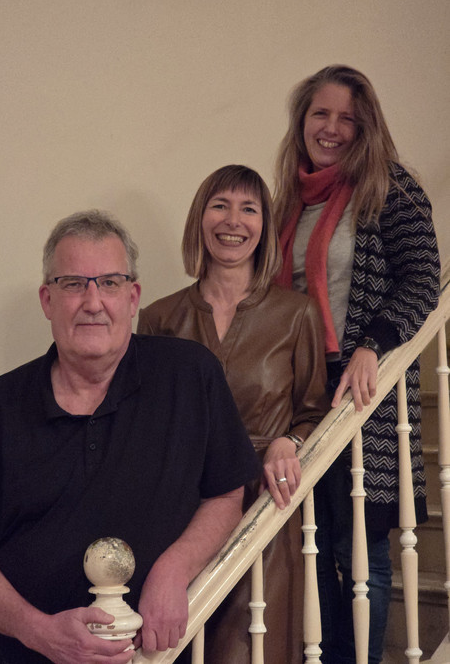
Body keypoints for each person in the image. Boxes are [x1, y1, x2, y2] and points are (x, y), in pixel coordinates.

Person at [0, 210, 261, 664]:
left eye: (110, 283)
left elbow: (227, 495)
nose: (93, 302)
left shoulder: (190, 375)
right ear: (47, 300)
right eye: (73, 284)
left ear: (133, 298)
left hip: (148, 656)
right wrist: (38, 631)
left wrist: (174, 569)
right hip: (6, 654)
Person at [273, 64, 441, 663]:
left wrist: (373, 343)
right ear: (302, 121)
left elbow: (423, 279)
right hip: (301, 392)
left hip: (364, 392)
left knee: (360, 549)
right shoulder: (287, 201)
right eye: (321, 113)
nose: (332, 128)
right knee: (309, 547)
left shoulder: (389, 186)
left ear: (366, 126)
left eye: (347, 117)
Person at [137, 164, 329, 663]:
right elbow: (145, 426)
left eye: (249, 209)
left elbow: (314, 412)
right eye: (220, 205)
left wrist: (290, 441)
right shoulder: (158, 318)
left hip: (264, 506)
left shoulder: (297, 313)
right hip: (182, 514)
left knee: (249, 649)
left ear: (265, 226)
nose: (233, 220)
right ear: (200, 218)